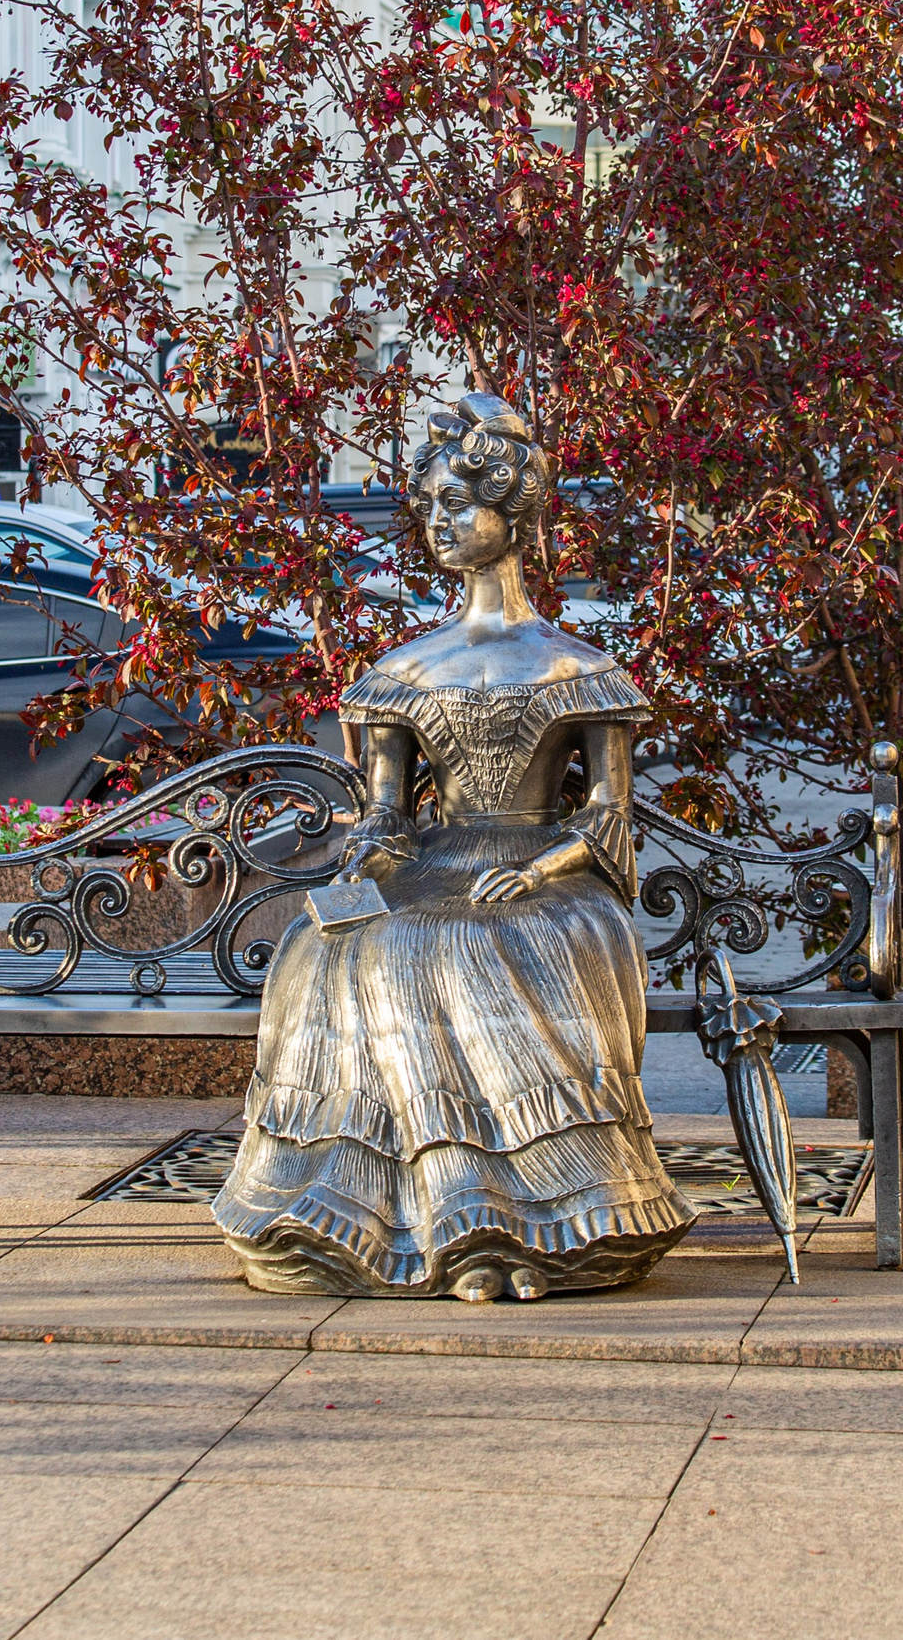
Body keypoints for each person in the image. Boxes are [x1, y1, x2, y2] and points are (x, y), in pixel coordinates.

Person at [211, 393, 693, 1301]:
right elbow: (388, 820)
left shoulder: (575, 667)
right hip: (432, 867)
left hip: (548, 880)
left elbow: (608, 819)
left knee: (471, 945)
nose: (437, 521)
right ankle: (370, 1222)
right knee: (336, 944)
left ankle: (544, 1223)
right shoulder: (404, 672)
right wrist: (366, 863)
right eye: (428, 503)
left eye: (457, 503)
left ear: (515, 516)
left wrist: (541, 868)